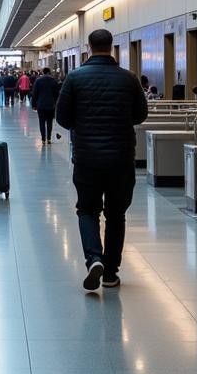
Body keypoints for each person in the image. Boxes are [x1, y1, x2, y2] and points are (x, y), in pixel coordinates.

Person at [55, 29, 148, 293]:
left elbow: (62, 118)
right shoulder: (129, 79)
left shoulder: (74, 78)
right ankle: (110, 272)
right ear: (112, 47)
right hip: (121, 157)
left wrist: (82, 125)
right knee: (116, 215)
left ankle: (94, 259)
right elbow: (141, 115)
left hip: (86, 157)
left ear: (88, 47)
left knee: (87, 210)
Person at [30, 67, 59, 144]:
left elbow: (34, 93)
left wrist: (33, 104)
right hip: (51, 105)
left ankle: (43, 139)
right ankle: (49, 138)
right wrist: (57, 104)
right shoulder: (53, 80)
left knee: (41, 121)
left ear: (43, 72)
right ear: (49, 72)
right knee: (50, 122)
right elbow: (57, 93)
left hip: (41, 105)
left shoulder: (38, 80)